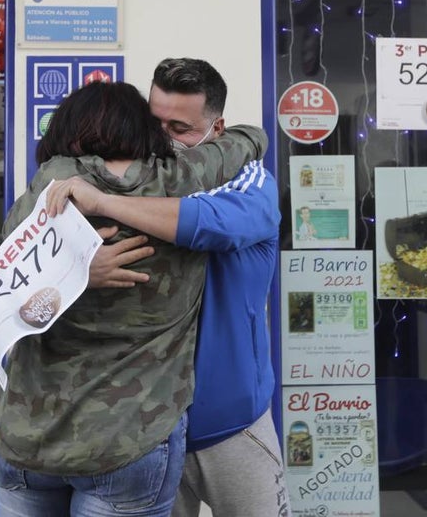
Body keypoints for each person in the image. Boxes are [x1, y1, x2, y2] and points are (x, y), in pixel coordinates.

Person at [0, 80, 267, 517]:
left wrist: (71, 272)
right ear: (145, 128)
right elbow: (248, 140)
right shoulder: (183, 179)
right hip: (131, 438)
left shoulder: (51, 186)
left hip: (29, 433)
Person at [48, 58, 290, 517]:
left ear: (216, 129)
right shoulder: (128, 177)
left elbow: (212, 224)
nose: (163, 138)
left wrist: (106, 203)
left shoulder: (249, 179)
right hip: (146, 427)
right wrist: (80, 266)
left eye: (179, 128)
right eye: (154, 123)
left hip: (230, 420)